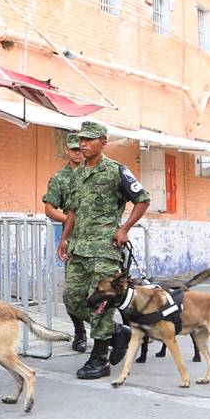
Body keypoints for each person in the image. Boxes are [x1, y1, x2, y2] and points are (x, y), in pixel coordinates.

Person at [59, 120, 151, 380]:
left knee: (100, 302)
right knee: (73, 300)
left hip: (104, 250)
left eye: (89, 140)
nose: (83, 144)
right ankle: (118, 333)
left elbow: (142, 199)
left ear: (103, 142)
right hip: (79, 248)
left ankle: (99, 357)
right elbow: (73, 210)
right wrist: (64, 238)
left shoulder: (116, 171)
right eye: (81, 140)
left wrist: (124, 229)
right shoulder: (76, 174)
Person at [42, 132, 88, 353]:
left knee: (102, 289)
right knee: (73, 293)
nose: (78, 153)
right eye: (74, 150)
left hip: (101, 239)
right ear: (67, 151)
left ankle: (106, 334)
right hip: (74, 240)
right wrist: (70, 220)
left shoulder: (99, 172)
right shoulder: (60, 178)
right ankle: (80, 332)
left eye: (81, 149)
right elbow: (49, 208)